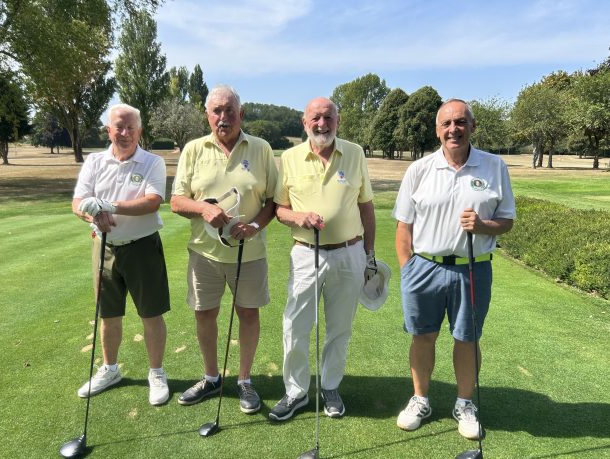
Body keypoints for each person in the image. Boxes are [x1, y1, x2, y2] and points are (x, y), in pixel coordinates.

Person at [393, 99, 515, 439]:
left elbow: (506, 221)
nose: (453, 129)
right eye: (446, 123)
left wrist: (484, 225)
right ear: (437, 130)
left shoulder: (493, 166)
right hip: (424, 268)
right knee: (422, 336)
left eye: (460, 122)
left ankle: (464, 403)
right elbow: (404, 226)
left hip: (473, 268)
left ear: (472, 126)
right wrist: (408, 269)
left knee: (467, 338)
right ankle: (420, 399)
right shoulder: (419, 169)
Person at [170, 85, 277, 414]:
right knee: (205, 313)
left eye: (229, 110)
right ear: (207, 115)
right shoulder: (193, 149)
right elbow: (176, 201)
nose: (223, 117)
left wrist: (255, 226)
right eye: (216, 111)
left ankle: (244, 379)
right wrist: (203, 208)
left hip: (249, 253)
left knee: (248, 313)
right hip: (204, 253)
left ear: (241, 114)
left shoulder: (261, 148)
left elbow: (273, 201)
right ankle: (211, 377)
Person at [268, 97, 377, 421]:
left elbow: (366, 207)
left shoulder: (355, 153)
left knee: (339, 328)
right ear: (304, 123)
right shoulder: (290, 158)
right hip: (306, 252)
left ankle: (330, 387)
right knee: (295, 325)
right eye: (315, 118)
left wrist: (369, 255)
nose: (322, 124)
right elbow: (279, 209)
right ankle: (296, 391)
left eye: (328, 117)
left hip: (349, 252)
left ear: (337, 121)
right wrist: (298, 217)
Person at [72, 103, 171, 406]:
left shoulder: (152, 162)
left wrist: (107, 206)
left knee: (151, 314)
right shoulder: (95, 161)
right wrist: (91, 215)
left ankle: (156, 373)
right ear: (108, 130)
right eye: (119, 127)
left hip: (142, 246)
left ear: (140, 131)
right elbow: (78, 201)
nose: (125, 133)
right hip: (104, 246)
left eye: (131, 128)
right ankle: (110, 369)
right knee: (108, 314)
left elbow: (153, 201)